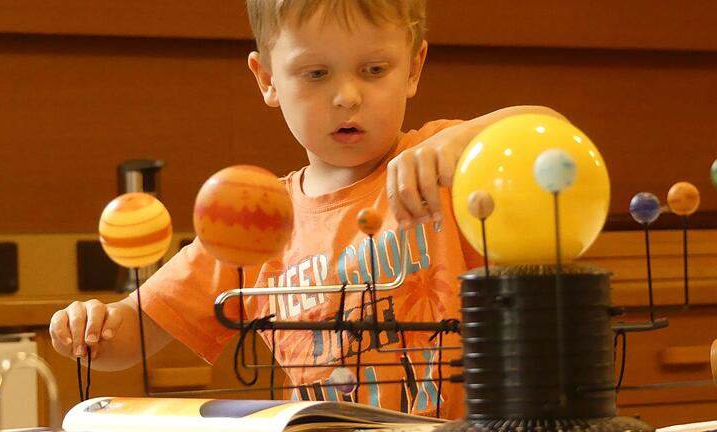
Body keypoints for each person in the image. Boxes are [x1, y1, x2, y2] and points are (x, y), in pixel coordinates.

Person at [49, 0, 565, 419]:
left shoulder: (443, 161)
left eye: (374, 69)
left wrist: (462, 145)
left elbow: (550, 134)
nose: (346, 96)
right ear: (267, 78)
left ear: (414, 68)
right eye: (315, 73)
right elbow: (131, 335)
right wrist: (92, 326)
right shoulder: (252, 217)